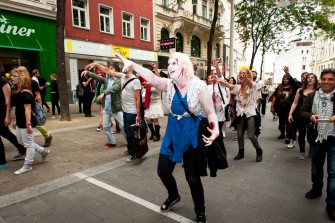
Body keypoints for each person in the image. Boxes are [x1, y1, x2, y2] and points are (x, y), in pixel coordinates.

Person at [112, 51, 219, 223]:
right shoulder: (169, 85)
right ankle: (174, 195)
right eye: (168, 65)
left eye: (173, 64)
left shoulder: (199, 86)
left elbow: (210, 112)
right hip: (173, 132)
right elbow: (152, 78)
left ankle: (200, 211)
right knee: (162, 170)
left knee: (192, 177)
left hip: (191, 133)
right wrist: (132, 64)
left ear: (184, 66)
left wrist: (215, 129)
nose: (169, 67)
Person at [85, 62, 142, 163]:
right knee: (116, 128)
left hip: (124, 109)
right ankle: (123, 146)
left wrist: (139, 114)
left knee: (127, 129)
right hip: (115, 108)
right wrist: (92, 69)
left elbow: (136, 98)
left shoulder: (128, 80)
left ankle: (131, 149)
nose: (109, 70)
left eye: (112, 68)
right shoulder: (116, 77)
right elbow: (103, 74)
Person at [300, 68, 335, 221]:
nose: (326, 82)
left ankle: (332, 204)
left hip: (334, 138)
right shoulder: (312, 95)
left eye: (331, 79)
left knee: (333, 172)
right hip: (316, 138)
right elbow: (302, 112)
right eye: (324, 79)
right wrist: (310, 116)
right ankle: (316, 189)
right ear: (320, 80)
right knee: (316, 167)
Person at [10, 68, 50, 175]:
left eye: (14, 76)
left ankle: (27, 165)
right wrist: (15, 120)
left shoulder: (25, 92)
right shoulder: (16, 90)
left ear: (21, 77)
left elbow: (27, 109)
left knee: (28, 145)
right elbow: (18, 108)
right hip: (19, 120)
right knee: (21, 142)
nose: (11, 78)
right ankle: (43, 151)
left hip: (26, 121)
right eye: (12, 76)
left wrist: (28, 124)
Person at [219, 69, 263, 162]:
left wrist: (246, 79)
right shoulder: (238, 87)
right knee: (239, 134)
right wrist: (219, 80)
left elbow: (250, 83)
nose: (241, 75)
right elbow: (228, 85)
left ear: (248, 76)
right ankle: (241, 152)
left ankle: (259, 150)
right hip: (240, 113)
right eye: (240, 73)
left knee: (251, 135)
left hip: (250, 113)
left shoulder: (252, 86)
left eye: (244, 73)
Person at [81, 63, 125, 149]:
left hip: (116, 107)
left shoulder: (119, 80)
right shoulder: (106, 79)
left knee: (123, 126)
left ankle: (130, 141)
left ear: (115, 70)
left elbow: (115, 88)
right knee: (106, 126)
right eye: (109, 68)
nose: (109, 70)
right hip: (107, 108)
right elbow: (98, 78)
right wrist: (88, 73)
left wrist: (104, 93)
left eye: (111, 68)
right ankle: (111, 142)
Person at [20, 67, 53, 147]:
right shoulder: (19, 83)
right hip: (23, 105)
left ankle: (47, 136)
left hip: (32, 105)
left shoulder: (32, 82)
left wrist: (40, 107)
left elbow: (38, 95)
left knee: (36, 123)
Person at [287, 73, 318, 159]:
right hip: (300, 114)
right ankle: (302, 152)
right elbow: (295, 103)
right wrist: (290, 114)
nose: (310, 79)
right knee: (301, 133)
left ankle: (311, 148)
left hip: (312, 115)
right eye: (308, 77)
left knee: (311, 134)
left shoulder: (318, 91)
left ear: (315, 80)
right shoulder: (300, 90)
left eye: (312, 77)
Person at [271, 68, 297, 143]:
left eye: (287, 79)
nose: (285, 80)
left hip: (289, 107)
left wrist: (288, 73)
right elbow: (275, 96)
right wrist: (272, 105)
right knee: (281, 121)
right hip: (280, 106)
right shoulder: (279, 87)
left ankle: (288, 136)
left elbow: (294, 83)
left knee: (288, 121)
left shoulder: (293, 87)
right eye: (284, 79)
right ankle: (282, 134)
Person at [207, 60, 230, 138]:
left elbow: (220, 77)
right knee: (212, 130)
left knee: (218, 130)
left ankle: (218, 146)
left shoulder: (221, 85)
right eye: (212, 74)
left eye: (215, 74)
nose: (214, 75)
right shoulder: (207, 88)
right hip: (210, 112)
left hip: (219, 112)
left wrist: (216, 67)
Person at [143, 62, 164, 142]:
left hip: (156, 102)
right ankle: (153, 133)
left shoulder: (158, 84)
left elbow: (158, 78)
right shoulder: (148, 84)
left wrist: (155, 67)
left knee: (155, 119)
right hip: (150, 103)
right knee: (148, 119)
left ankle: (157, 135)